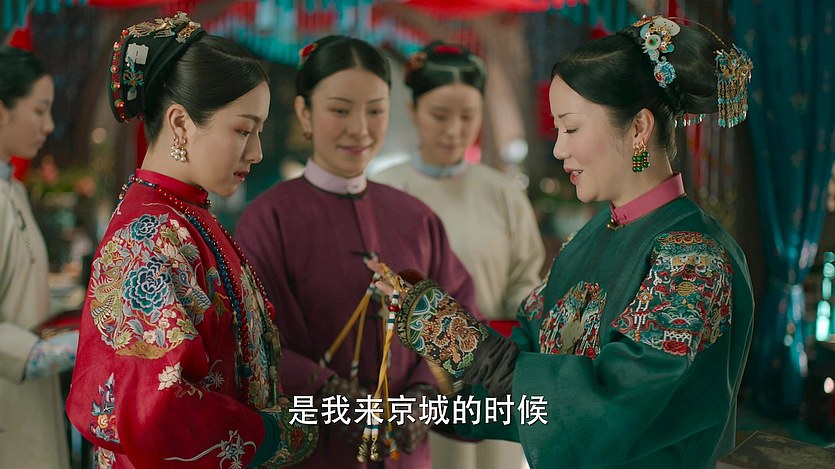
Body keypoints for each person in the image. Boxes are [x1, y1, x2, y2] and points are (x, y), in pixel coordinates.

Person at [370, 14, 755, 468]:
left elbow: (608, 406)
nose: (558, 149)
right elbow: (526, 367)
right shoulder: (589, 237)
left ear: (638, 128)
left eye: (571, 128)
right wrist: (430, 403)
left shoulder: (693, 260)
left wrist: (459, 338)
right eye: (557, 130)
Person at [65, 13, 317, 468]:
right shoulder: (148, 237)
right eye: (243, 130)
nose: (257, 152)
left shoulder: (184, 216)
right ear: (180, 123)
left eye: (259, 132)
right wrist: (271, 435)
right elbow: (157, 411)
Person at [234, 35, 481, 469]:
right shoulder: (268, 219)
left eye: (375, 110)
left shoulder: (417, 218)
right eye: (340, 110)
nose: (361, 129)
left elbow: (460, 318)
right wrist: (329, 391)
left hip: (404, 456)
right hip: (312, 453)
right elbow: (253, 341)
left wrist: (424, 394)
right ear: (305, 113)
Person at [371, 40, 544, 469]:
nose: (454, 130)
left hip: (492, 374)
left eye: (468, 116)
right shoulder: (383, 190)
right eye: (440, 115)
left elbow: (526, 283)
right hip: (411, 380)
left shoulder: (502, 193)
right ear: (413, 111)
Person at [0, 45, 75, 469]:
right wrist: (49, 352)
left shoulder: (12, 189)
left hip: (27, 395)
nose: (48, 125)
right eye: (39, 110)